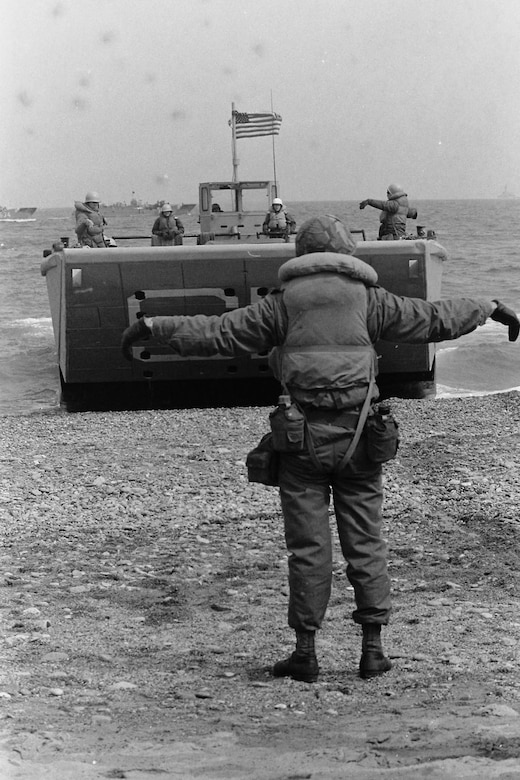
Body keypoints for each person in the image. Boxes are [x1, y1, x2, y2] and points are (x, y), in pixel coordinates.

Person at [121, 215, 519, 683]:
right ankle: (373, 650)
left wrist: (151, 325)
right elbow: (432, 320)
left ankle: (305, 652)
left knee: (308, 549)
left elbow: (219, 333)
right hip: (361, 442)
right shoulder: (371, 299)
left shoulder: (282, 304)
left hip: (300, 443)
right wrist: (489, 307)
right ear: (348, 252)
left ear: (301, 255)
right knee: (366, 543)